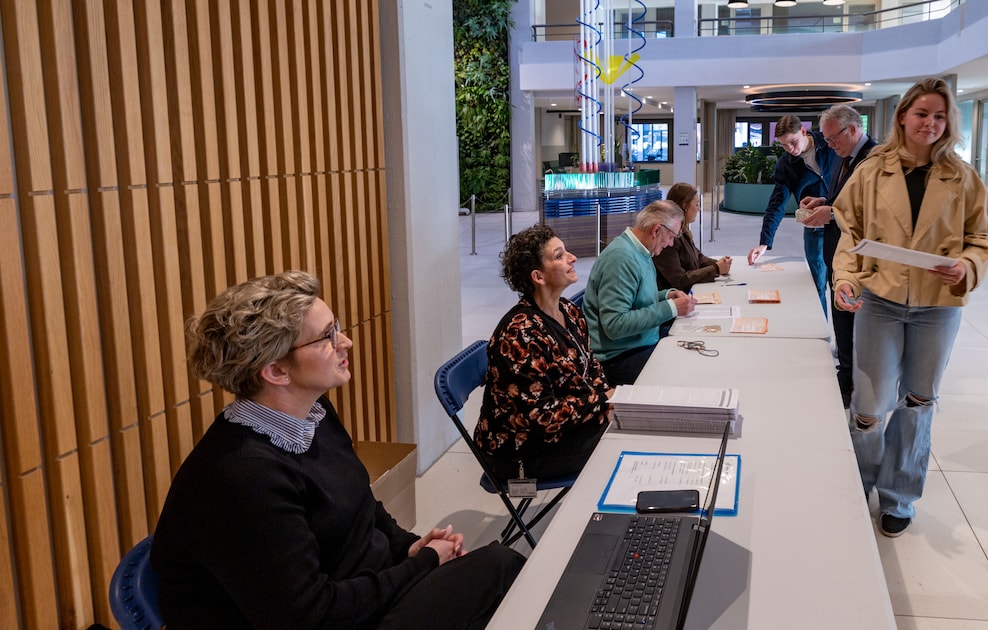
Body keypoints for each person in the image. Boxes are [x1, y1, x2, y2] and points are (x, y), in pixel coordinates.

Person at [151, 271, 525, 629]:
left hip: (358, 595)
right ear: (276, 371)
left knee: (500, 578)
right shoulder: (243, 477)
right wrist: (423, 564)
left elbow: (363, 509)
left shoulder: (314, 413)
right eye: (327, 336)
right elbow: (309, 617)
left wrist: (409, 549)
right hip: (327, 620)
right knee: (500, 567)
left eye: (337, 327)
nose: (345, 342)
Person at [831, 78, 988, 538]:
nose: (930, 123)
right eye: (922, 113)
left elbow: (983, 239)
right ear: (903, 116)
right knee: (868, 407)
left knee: (918, 402)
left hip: (937, 307)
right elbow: (849, 232)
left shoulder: (962, 177)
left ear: (949, 123)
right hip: (880, 301)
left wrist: (967, 265)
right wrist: (845, 278)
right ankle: (858, 484)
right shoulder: (871, 171)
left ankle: (898, 496)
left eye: (939, 116)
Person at [476, 225, 613, 482]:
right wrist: (601, 401)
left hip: (559, 430)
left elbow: (591, 366)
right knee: (618, 441)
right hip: (520, 453)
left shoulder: (568, 310)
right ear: (538, 276)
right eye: (559, 256)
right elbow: (542, 416)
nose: (572, 258)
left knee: (622, 425)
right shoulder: (520, 335)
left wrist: (606, 402)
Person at [799, 104, 878, 408]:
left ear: (853, 129)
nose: (830, 145)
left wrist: (830, 213)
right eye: (827, 140)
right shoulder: (844, 157)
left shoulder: (874, 159)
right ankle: (845, 372)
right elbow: (844, 198)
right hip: (838, 253)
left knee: (854, 319)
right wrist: (824, 200)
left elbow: (869, 213)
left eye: (833, 139)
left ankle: (857, 382)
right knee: (841, 316)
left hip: (859, 259)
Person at [584, 200, 696, 385]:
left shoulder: (639, 251)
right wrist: (670, 308)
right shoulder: (621, 258)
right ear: (656, 230)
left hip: (639, 343)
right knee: (685, 375)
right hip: (619, 357)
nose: (670, 244)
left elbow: (637, 298)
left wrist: (666, 296)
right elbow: (615, 325)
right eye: (671, 236)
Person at [746, 115, 835, 314]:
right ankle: (821, 337)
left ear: (803, 132)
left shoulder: (829, 142)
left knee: (842, 284)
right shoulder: (785, 165)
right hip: (815, 229)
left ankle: (844, 343)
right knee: (817, 285)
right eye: (784, 145)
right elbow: (776, 204)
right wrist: (764, 242)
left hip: (844, 223)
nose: (791, 149)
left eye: (793, 142)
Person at [653, 183, 732, 293]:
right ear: (685, 207)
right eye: (696, 205)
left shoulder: (683, 230)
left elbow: (697, 257)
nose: (699, 209)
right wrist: (715, 269)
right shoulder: (668, 240)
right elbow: (679, 280)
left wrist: (719, 263)